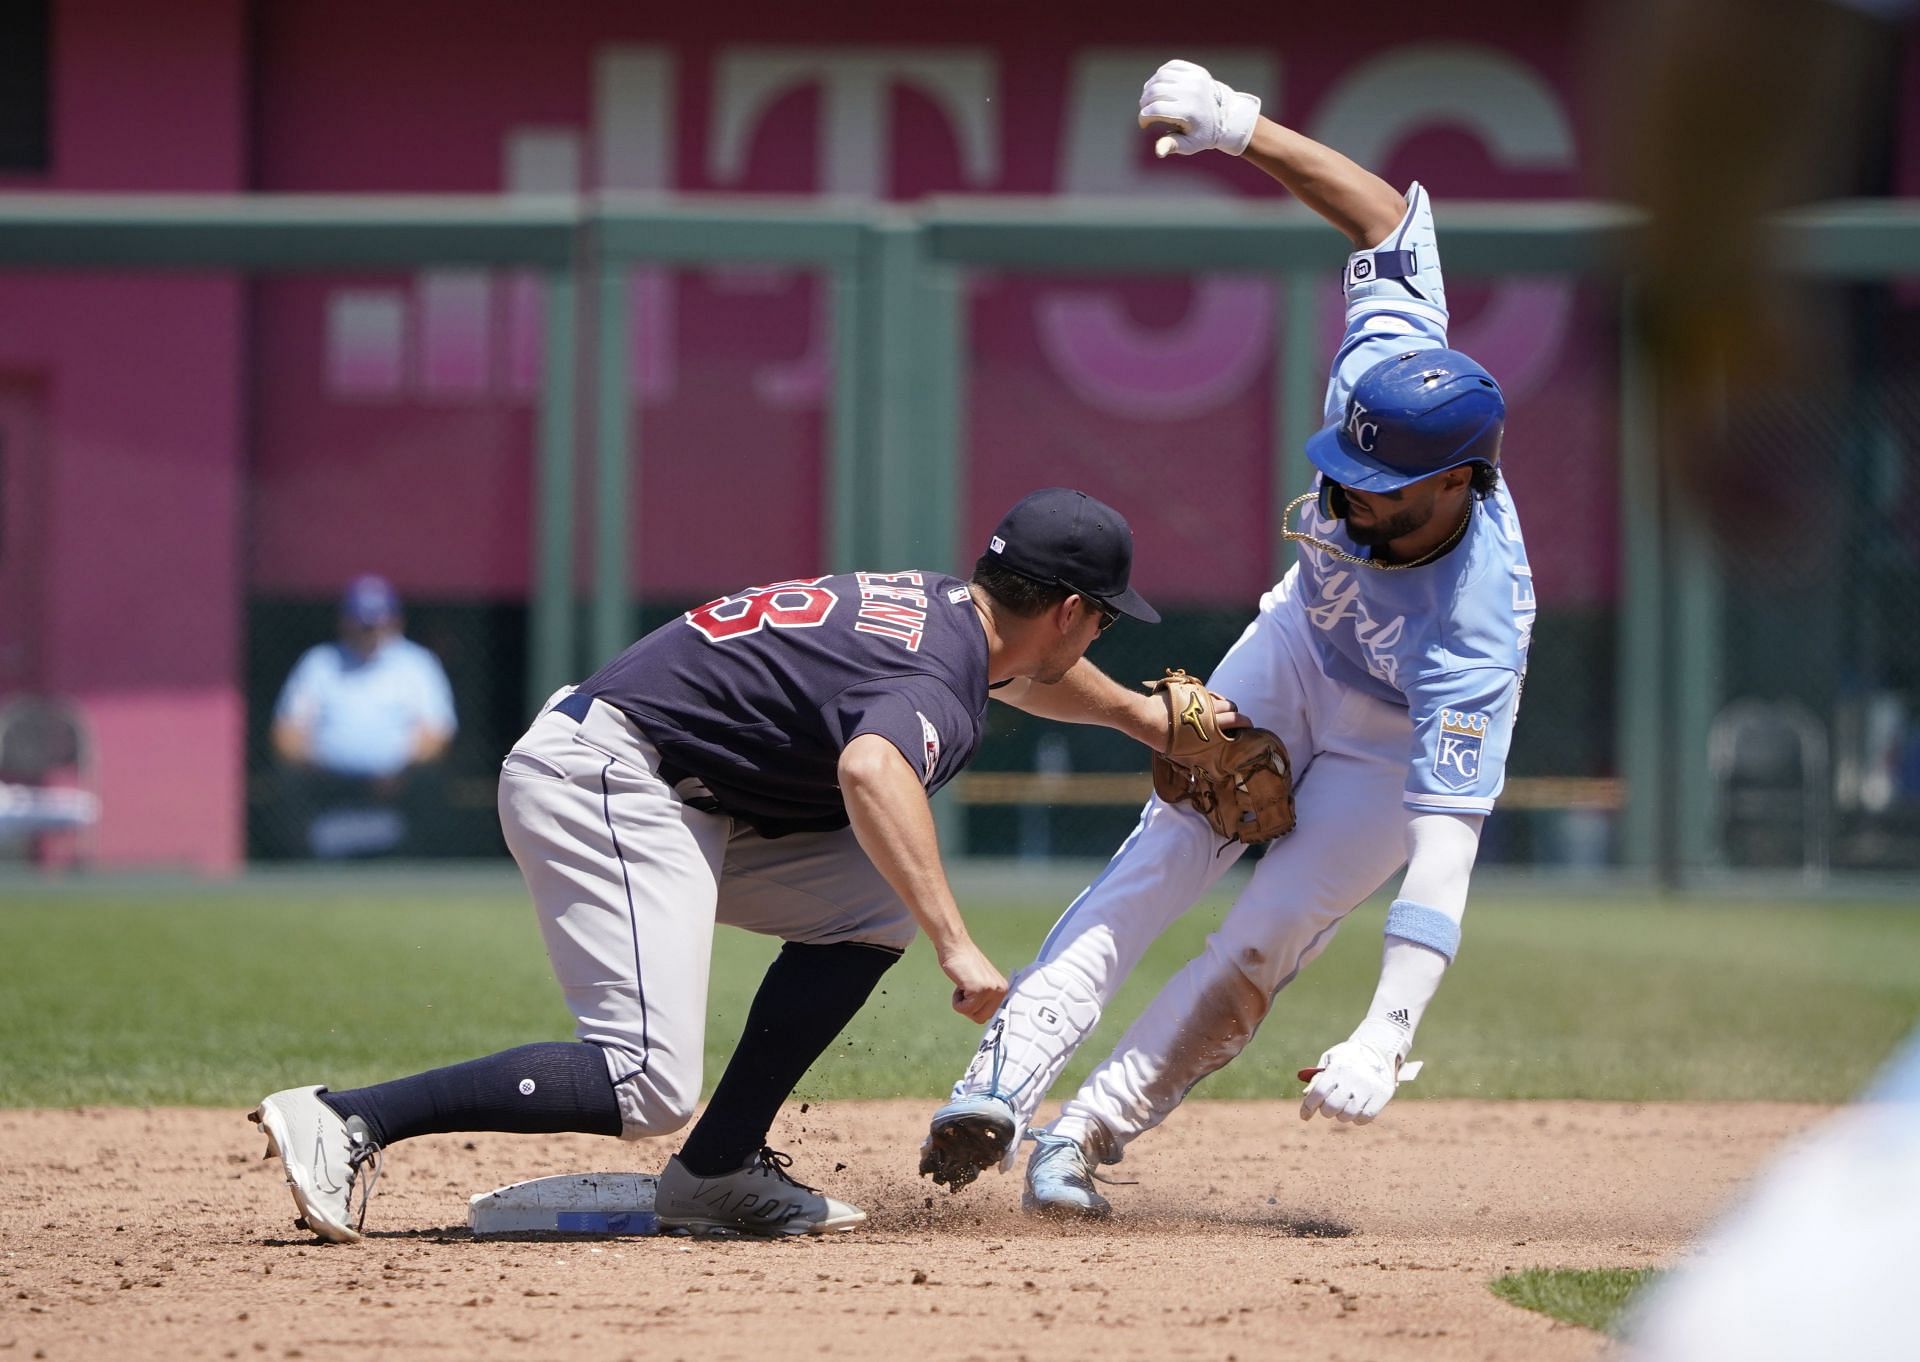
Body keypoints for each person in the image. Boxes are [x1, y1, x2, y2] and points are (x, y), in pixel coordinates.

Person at [250, 488, 1239, 1241]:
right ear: (1068, 610)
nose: (1103, 631)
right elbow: (869, 767)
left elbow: (1021, 684)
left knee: (867, 905)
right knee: (644, 1084)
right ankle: (345, 1118)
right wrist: (957, 943)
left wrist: (1140, 718)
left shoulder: (947, 616)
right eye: (1103, 616)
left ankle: (717, 1170)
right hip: (613, 780)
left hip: (681, 791)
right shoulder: (941, 666)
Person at [918, 59, 1536, 1218]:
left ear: (1456, 483)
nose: (1346, 499)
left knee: (1266, 933)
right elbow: (1386, 217)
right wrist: (1240, 126)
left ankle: (1088, 1134)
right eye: (1340, 476)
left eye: (1378, 492)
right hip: (1299, 649)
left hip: (1391, 745)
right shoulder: (1384, 375)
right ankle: (995, 1085)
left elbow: (1446, 850)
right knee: (1163, 848)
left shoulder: (1474, 629)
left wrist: (1386, 1033)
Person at [269, 575, 457, 858]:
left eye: (375, 624)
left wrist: (398, 772)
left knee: (429, 781)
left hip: (398, 781)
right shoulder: (319, 663)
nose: (368, 632)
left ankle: (417, 865)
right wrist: (317, 765)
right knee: (289, 778)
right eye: (361, 624)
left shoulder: (417, 664)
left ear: (394, 621)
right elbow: (286, 733)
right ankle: (298, 863)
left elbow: (437, 735)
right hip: (326, 779)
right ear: (344, 622)